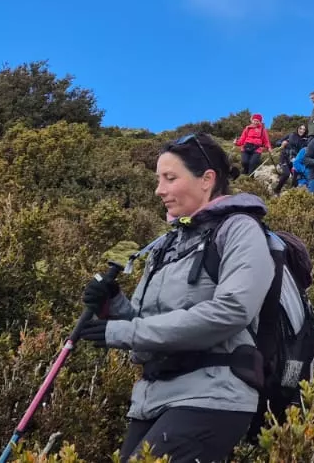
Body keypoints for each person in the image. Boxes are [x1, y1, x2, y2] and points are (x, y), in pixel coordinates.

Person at [75, 133, 275, 463]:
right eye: (158, 179)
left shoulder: (240, 230)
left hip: (213, 396)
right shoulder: (167, 245)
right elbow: (145, 330)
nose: (159, 190)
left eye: (170, 178)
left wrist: (125, 332)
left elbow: (232, 310)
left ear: (207, 180)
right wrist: (115, 305)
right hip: (152, 398)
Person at [273, 124, 311, 195]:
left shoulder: (306, 140)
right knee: (286, 174)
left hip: (295, 161)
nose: (302, 131)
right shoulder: (291, 135)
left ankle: (292, 194)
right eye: (300, 128)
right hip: (285, 158)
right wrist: (282, 143)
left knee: (296, 178)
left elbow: (304, 152)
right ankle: (276, 191)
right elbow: (277, 142)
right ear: (297, 129)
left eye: (304, 129)